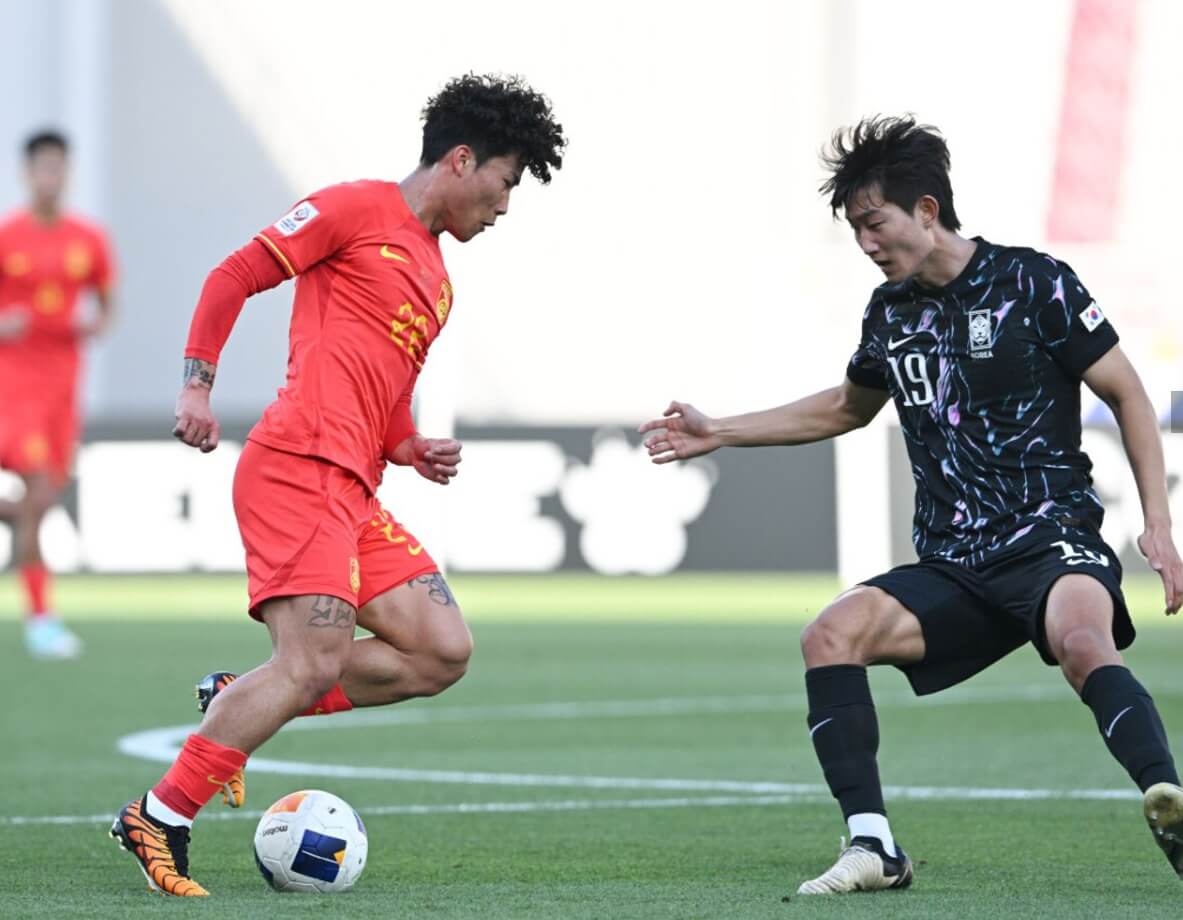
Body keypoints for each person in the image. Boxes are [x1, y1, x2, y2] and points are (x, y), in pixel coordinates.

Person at [640, 116, 1183, 895]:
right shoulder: (889, 312)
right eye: (854, 228)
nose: (864, 241)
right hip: (954, 563)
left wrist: (1155, 525)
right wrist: (719, 430)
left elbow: (1126, 391)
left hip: (1048, 538)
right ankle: (872, 847)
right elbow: (843, 408)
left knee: (1079, 640)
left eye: (873, 222)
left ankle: (1167, 804)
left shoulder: (1033, 282)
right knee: (829, 635)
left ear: (926, 211)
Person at [109, 74, 565, 897]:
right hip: (296, 467)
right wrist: (195, 386)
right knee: (313, 660)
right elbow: (232, 275)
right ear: (461, 161)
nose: (503, 207)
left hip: (353, 488)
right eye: (504, 183)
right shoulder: (353, 209)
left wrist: (408, 443)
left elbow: (385, 390)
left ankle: (238, 698)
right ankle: (161, 815)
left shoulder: (436, 278)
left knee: (439, 650)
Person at [0, 129, 116, 659]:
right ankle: (42, 619)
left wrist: (95, 321)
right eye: (42, 168)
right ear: (28, 173)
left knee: (38, 502)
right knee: (34, 496)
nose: (51, 177)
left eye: (59, 168)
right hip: (15, 383)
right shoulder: (9, 235)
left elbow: (108, 303)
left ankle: (41, 614)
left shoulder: (87, 238)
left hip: (64, 386)